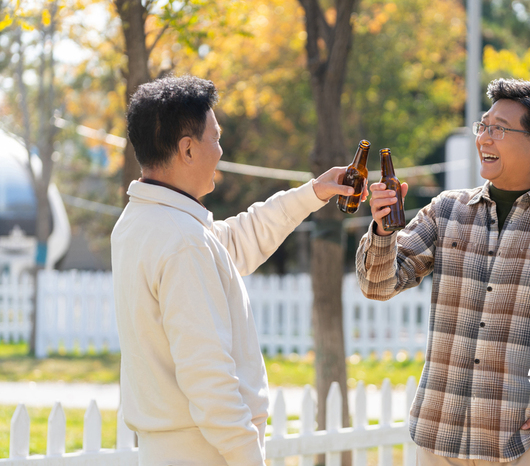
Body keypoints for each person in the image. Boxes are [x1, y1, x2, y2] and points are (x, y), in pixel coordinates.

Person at [356, 78, 530, 465]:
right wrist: (383, 233)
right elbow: (378, 285)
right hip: (438, 438)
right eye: (483, 126)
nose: (484, 139)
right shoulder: (446, 211)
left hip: (526, 443)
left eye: (499, 129)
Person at [111, 75, 358, 466]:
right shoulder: (182, 241)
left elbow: (236, 241)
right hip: (205, 452)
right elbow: (207, 376)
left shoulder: (143, 222)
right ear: (187, 149)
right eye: (216, 137)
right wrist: (248, 456)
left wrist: (313, 193)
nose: (221, 151)